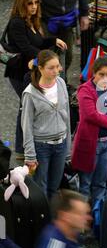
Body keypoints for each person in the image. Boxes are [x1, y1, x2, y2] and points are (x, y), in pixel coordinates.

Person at [4, 0, 67, 157]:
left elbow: (38, 42)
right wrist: (47, 59)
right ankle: (22, 148)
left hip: (31, 69)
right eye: (30, 3)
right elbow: (26, 47)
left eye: (36, 3)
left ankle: (22, 148)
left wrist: (54, 40)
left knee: (25, 108)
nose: (34, 6)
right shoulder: (17, 22)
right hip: (19, 71)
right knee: (25, 107)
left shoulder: (32, 21)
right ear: (22, 4)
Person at [71, 57, 107, 207]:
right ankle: (82, 221)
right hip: (90, 144)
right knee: (85, 185)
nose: (105, 78)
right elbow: (91, 115)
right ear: (94, 74)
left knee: (101, 184)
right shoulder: (85, 90)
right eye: (101, 74)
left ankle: (98, 219)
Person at [21, 49, 71, 199]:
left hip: (61, 145)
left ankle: (52, 220)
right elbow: (26, 125)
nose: (56, 71)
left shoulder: (61, 83)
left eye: (57, 66)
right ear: (40, 68)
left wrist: (68, 148)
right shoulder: (30, 93)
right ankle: (41, 220)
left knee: (54, 188)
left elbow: (66, 115)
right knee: (40, 188)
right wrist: (30, 155)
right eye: (51, 68)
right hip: (41, 146)